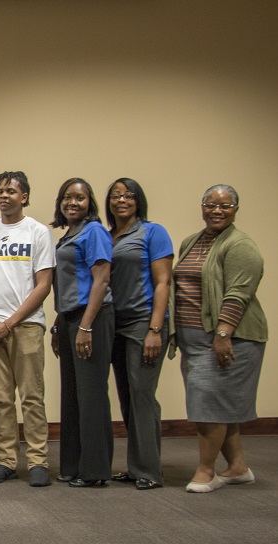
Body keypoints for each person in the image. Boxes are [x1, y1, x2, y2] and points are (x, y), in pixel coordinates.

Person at [174, 184, 267, 493]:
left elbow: (238, 293)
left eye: (225, 206)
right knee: (218, 405)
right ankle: (238, 468)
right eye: (211, 204)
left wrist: (223, 333)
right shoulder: (192, 241)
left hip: (229, 339)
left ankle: (206, 470)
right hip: (195, 341)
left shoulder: (241, 245)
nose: (216, 210)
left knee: (209, 406)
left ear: (235, 210)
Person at [0, 171, 55, 487]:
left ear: (25, 196)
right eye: (0, 191)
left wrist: (10, 323)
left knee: (32, 396)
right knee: (1, 399)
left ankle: (37, 461)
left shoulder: (38, 232)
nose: (4, 196)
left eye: (11, 191)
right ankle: (5, 460)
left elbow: (43, 284)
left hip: (26, 327)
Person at [105, 178, 173, 491]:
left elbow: (162, 283)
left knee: (143, 396)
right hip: (115, 324)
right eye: (116, 195)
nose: (122, 200)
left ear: (138, 200)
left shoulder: (152, 232)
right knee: (128, 397)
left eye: (128, 195)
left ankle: (150, 470)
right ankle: (135, 467)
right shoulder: (108, 236)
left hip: (145, 321)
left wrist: (156, 330)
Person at [50, 178, 115, 487]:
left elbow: (101, 281)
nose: (72, 203)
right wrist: (58, 324)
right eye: (67, 197)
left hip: (93, 318)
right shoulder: (67, 236)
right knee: (72, 396)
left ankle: (96, 470)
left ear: (90, 202)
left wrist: (86, 326)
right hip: (69, 319)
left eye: (79, 197)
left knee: (91, 396)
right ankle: (73, 465)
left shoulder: (95, 232)